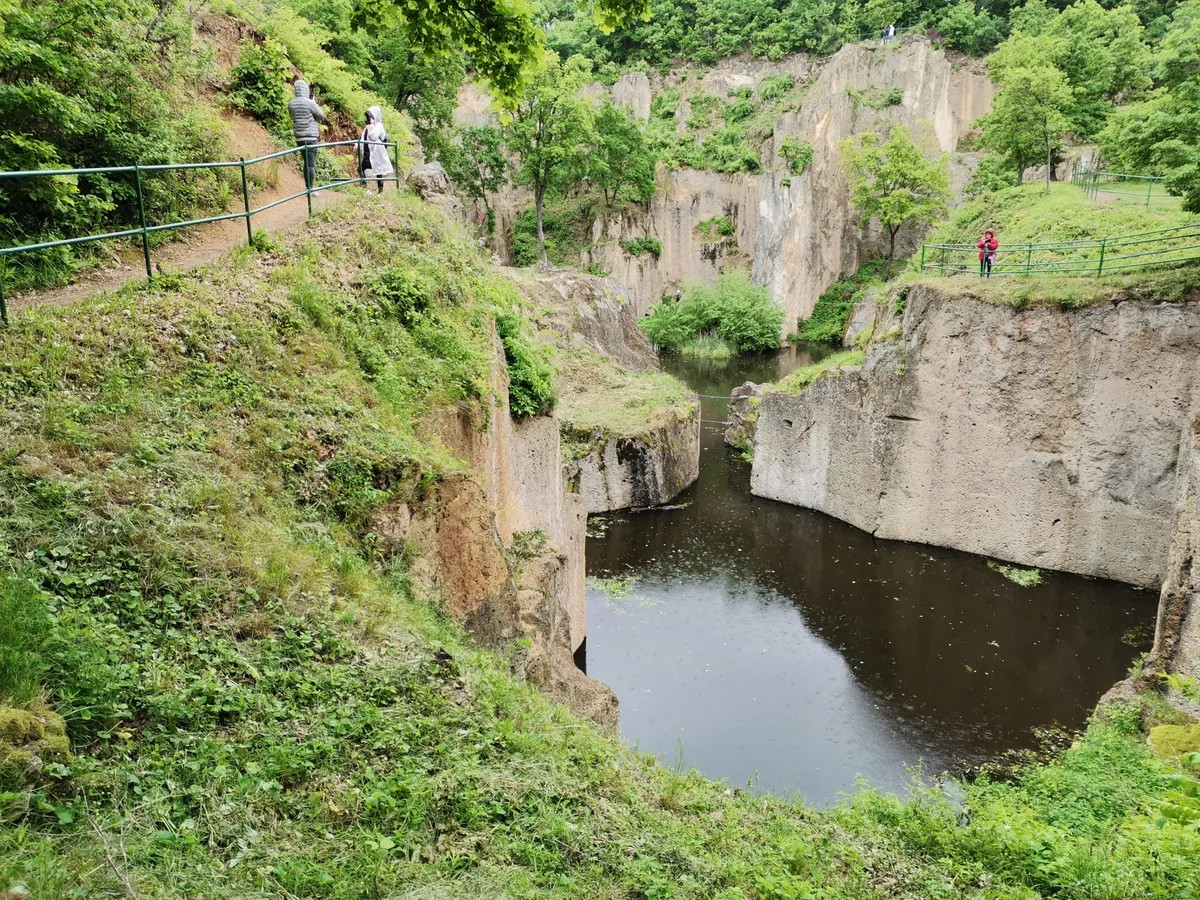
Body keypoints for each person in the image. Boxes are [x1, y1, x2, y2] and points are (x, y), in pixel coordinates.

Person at [288, 80, 326, 193]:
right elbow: (321, 115)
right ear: (306, 90)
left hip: (299, 137)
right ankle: (310, 189)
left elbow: (293, 117)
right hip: (310, 137)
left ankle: (307, 186)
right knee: (311, 164)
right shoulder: (310, 103)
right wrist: (314, 104)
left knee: (306, 163)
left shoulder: (291, 104)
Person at [358, 106, 393, 194]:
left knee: (379, 171)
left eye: (370, 117)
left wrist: (372, 126)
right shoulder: (367, 127)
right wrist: (357, 144)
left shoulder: (379, 126)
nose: (368, 119)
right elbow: (363, 137)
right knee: (361, 169)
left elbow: (374, 136)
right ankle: (365, 189)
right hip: (368, 153)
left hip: (377, 153)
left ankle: (380, 192)